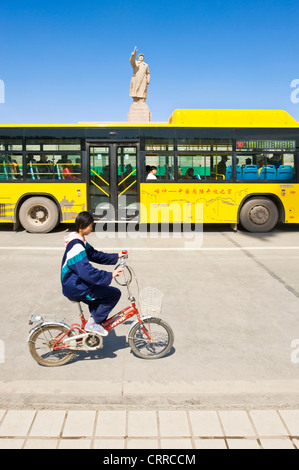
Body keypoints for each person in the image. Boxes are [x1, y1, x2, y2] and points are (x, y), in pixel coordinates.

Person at [61, 211, 125, 336]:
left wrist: (117, 256)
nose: (91, 228)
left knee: (101, 296)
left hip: (76, 283)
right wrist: (110, 275)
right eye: (90, 225)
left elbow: (95, 255)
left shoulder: (79, 240)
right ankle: (93, 323)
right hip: (75, 286)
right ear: (81, 227)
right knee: (113, 294)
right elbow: (87, 272)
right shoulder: (76, 246)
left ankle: (93, 325)